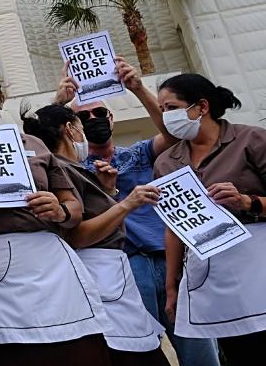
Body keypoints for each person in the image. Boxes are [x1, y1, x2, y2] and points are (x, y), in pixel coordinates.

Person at [0, 63, 113, 365]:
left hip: (48, 263)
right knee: (7, 352)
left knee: (75, 350)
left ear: (1, 99)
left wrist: (60, 210)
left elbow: (73, 206)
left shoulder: (34, 144)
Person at [57, 58, 220, 366]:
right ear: (71, 127)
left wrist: (137, 87)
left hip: (171, 257)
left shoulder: (138, 153)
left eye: (100, 113)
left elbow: (174, 136)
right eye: (84, 116)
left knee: (199, 353)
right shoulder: (70, 170)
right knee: (140, 356)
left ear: (112, 118)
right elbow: (41, 146)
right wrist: (59, 103)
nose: (94, 119)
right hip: (126, 269)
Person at [24, 103, 168, 365]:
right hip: (98, 275)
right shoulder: (60, 170)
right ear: (69, 129)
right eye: (80, 125)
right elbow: (76, 235)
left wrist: (108, 192)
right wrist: (127, 203)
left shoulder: (75, 169)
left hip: (111, 277)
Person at [152, 74, 266, 363]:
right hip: (214, 276)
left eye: (171, 107)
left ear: (201, 107)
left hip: (258, 263)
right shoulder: (166, 163)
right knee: (240, 351)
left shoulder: (251, 139)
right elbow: (173, 228)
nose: (166, 117)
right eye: (162, 110)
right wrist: (172, 284)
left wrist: (247, 202)